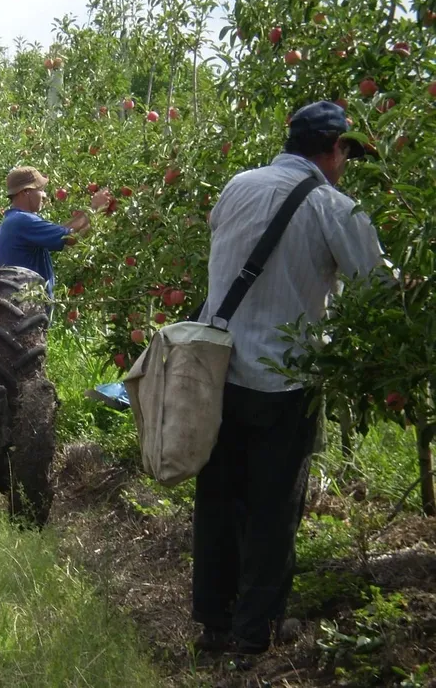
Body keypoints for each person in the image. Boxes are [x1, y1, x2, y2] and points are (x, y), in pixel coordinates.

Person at [191, 101, 384, 655]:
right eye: (347, 153)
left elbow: (224, 240)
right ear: (334, 149)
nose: (346, 165)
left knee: (222, 499)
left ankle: (214, 626)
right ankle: (254, 636)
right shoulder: (334, 208)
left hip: (219, 369)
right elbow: (376, 286)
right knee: (274, 508)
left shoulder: (238, 185)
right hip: (284, 382)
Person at [0, 166, 107, 298]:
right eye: (40, 190)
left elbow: (64, 233)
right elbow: (68, 237)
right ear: (26, 192)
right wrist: (94, 208)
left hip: (24, 308)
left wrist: (97, 216)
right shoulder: (22, 221)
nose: (44, 195)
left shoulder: (13, 221)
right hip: (28, 309)